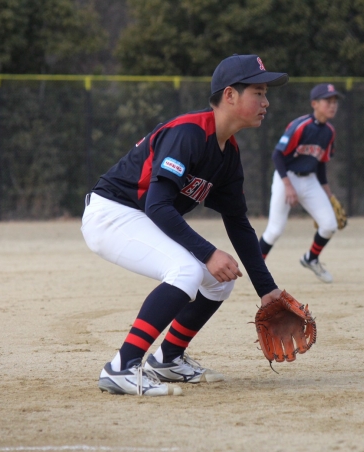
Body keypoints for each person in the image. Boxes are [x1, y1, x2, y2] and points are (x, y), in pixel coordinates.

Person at [81, 54, 288, 396]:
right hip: (111, 213)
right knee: (188, 270)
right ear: (230, 95)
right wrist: (208, 253)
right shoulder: (189, 133)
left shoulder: (228, 154)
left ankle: (168, 359)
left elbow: (238, 223)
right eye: (259, 92)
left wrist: (267, 290)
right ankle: (122, 367)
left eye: (266, 94)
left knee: (219, 280)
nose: (266, 102)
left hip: (141, 217)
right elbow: (157, 205)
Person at [258, 83, 344, 283]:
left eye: (335, 102)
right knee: (275, 229)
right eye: (328, 101)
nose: (333, 105)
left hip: (310, 179)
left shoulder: (329, 132)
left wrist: (328, 194)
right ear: (314, 104)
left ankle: (310, 259)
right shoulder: (300, 126)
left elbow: (320, 164)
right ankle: (256, 268)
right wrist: (288, 186)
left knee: (329, 225)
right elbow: (277, 155)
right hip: (287, 176)